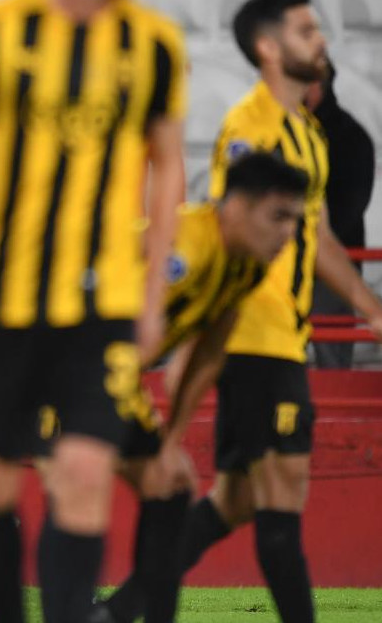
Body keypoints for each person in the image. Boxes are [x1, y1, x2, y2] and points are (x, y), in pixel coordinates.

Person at [0, 0, 188, 621]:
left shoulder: (154, 44)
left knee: (86, 473)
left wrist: (153, 295)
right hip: (2, 300)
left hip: (104, 301)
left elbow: (168, 162)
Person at [142, 2, 382, 622]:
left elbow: (321, 236)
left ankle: (117, 613)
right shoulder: (250, 127)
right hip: (252, 334)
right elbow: (229, 229)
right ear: (270, 49)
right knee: (281, 506)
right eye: (305, 29)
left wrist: (367, 306)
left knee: (236, 501)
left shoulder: (307, 133)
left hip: (282, 336)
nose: (320, 36)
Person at [81, 154, 310, 623]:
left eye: (295, 219)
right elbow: (109, 320)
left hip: (109, 371)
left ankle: (111, 615)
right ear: (237, 207)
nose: (288, 233)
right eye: (279, 216)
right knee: (72, 490)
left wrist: (169, 441)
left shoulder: (247, 267)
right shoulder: (187, 246)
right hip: (65, 359)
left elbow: (208, 356)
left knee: (170, 487)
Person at [305, 58, 376, 369]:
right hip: (279, 269)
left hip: (332, 270)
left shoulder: (350, 136)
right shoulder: (279, 129)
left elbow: (350, 206)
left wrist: (312, 244)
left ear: (318, 84)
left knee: (332, 366)